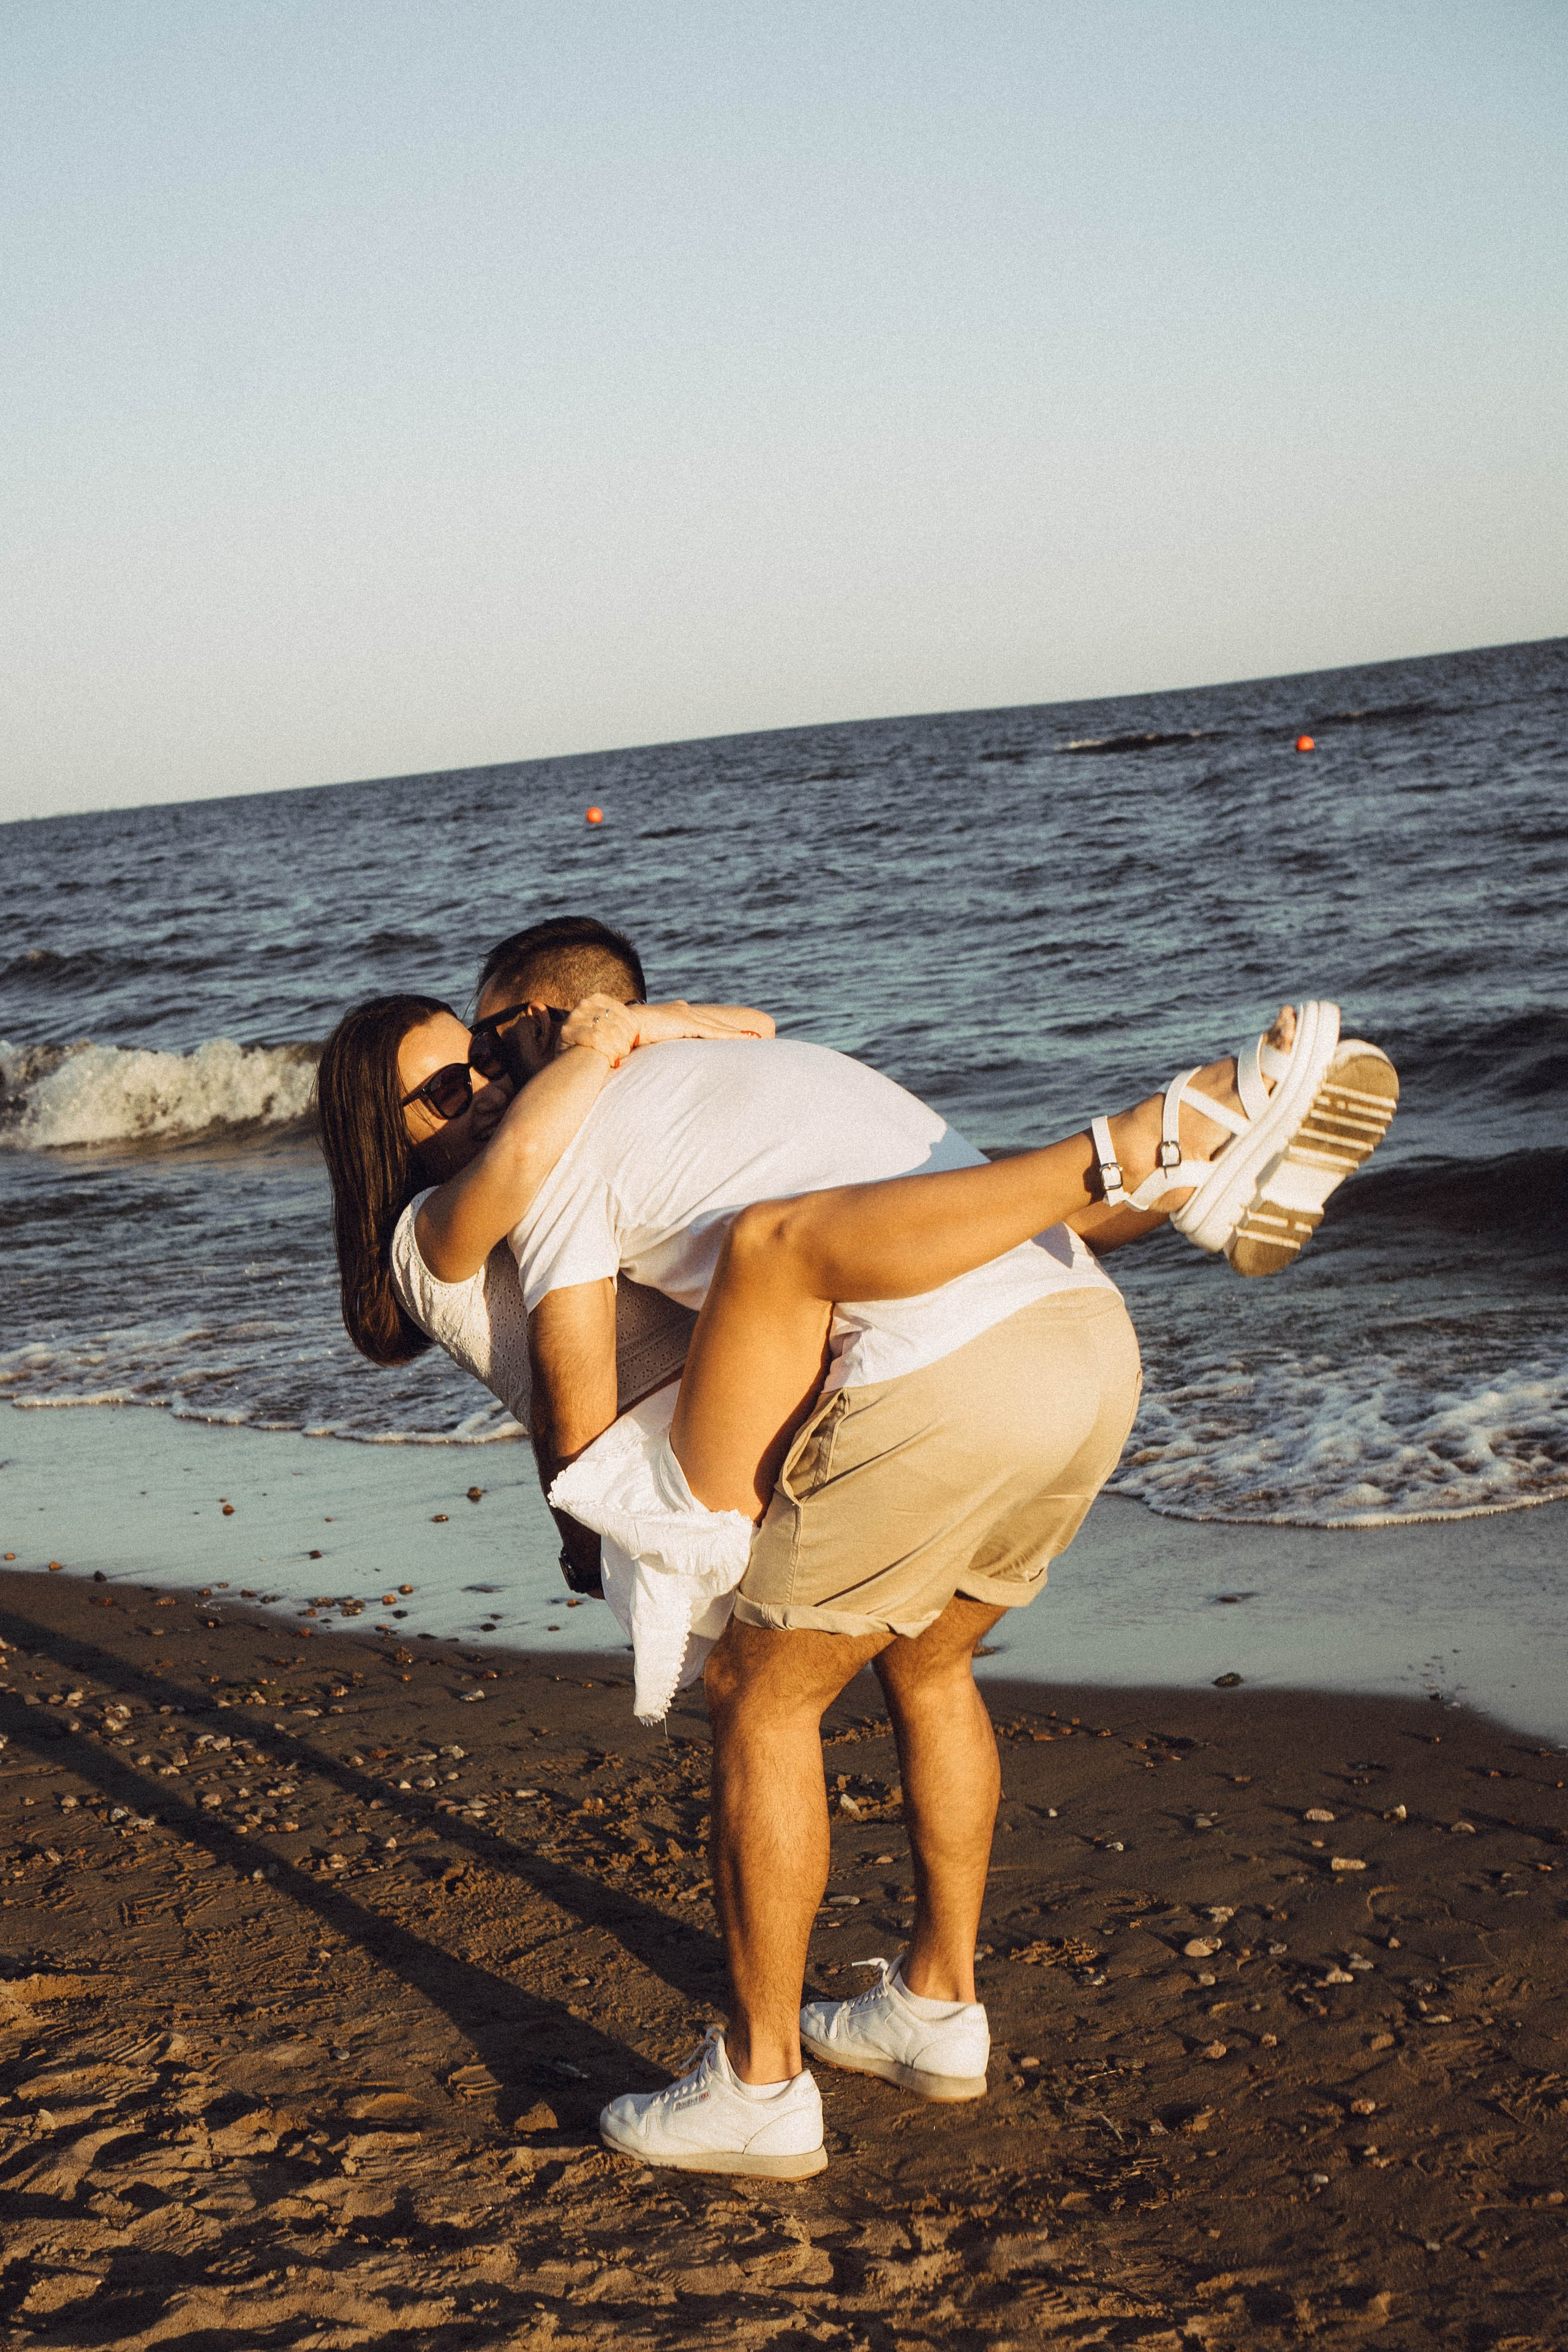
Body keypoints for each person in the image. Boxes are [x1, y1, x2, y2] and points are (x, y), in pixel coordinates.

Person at [317, 918, 1397, 2182]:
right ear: (383, 1132)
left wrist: (590, 1530)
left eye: (488, 1059)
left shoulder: (576, 1137)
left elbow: (579, 1383)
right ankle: (934, 2005)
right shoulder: (513, 1186)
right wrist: (625, 1032)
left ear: (538, 1026)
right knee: (923, 1652)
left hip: (904, 1397)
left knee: (775, 1685)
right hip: (1079, 1351)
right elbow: (572, 1302)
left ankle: (770, 2082)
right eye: (454, 1085)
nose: (489, 1088)